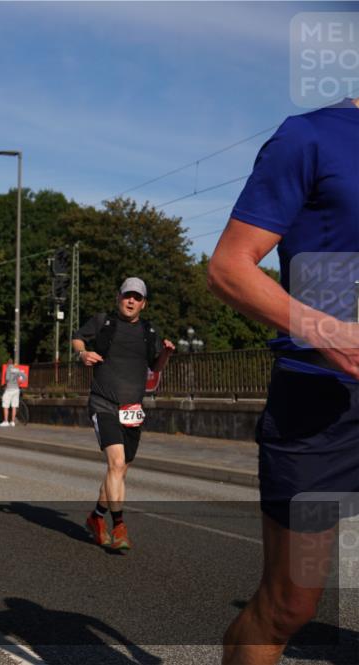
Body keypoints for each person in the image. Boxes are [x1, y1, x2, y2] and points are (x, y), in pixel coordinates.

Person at [207, 98, 359, 665]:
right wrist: (325, 330)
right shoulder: (311, 137)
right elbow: (228, 268)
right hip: (322, 401)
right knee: (289, 605)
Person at [71, 277, 174, 552]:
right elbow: (78, 338)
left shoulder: (149, 330)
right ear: (119, 297)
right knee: (116, 465)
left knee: (119, 471)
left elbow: (156, 365)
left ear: (144, 303)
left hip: (132, 410)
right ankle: (119, 526)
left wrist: (165, 353)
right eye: (127, 295)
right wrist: (83, 355)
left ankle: (95, 517)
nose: (131, 301)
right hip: (104, 402)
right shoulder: (104, 322)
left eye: (137, 297)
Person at [0, 357, 26, 426]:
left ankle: (5, 421)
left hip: (9, 389)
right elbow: (24, 376)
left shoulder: (8, 369)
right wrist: (20, 382)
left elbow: (7, 379)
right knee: (14, 406)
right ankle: (13, 421)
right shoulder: (17, 369)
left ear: (8, 363)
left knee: (5, 405)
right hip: (16, 389)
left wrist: (5, 385)